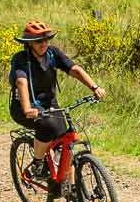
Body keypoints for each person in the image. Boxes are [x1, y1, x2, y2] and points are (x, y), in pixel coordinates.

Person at [9, 20, 105, 177]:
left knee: (66, 143)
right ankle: (38, 164)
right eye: (39, 40)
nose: (44, 43)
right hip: (24, 107)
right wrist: (27, 108)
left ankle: (72, 190)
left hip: (49, 105)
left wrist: (94, 87)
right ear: (30, 43)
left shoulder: (52, 53)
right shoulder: (21, 59)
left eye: (47, 39)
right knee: (47, 127)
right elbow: (21, 81)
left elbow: (74, 69)